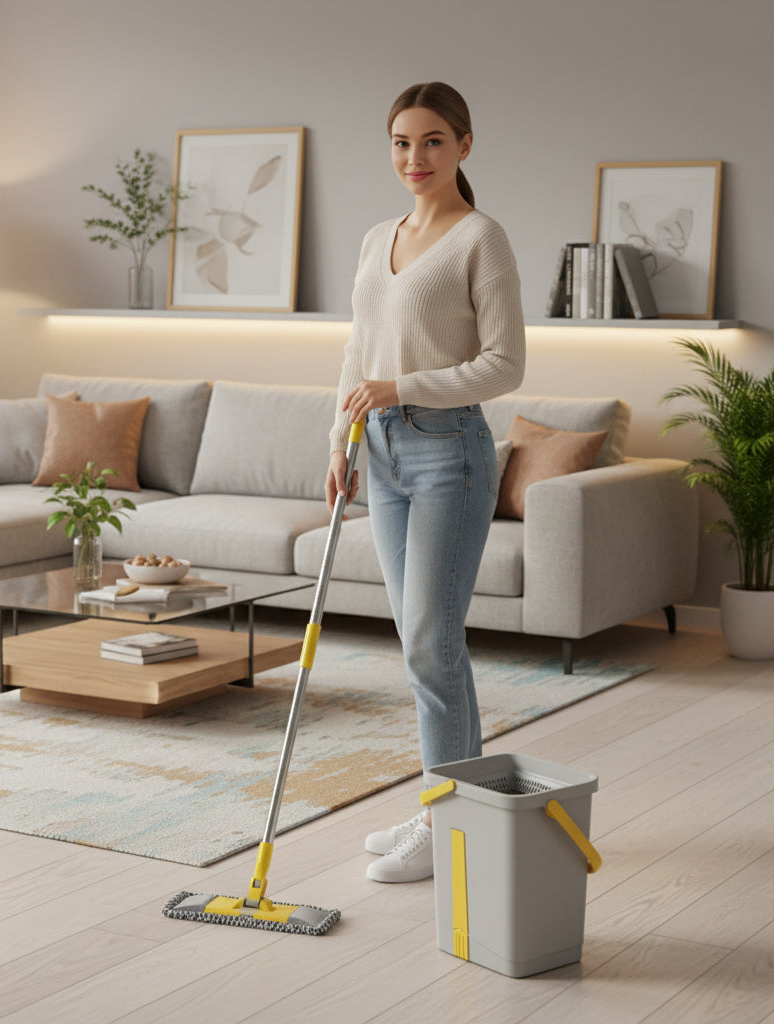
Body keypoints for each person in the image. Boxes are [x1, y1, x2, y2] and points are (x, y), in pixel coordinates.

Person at [326, 82, 525, 883]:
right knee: (423, 645)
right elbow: (356, 349)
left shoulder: (482, 237)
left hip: (451, 452)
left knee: (431, 647)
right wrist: (338, 439)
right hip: (378, 451)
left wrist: (400, 388)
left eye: (433, 142)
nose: (416, 158)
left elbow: (505, 365)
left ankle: (447, 828)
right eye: (403, 143)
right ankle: (454, 811)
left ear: (465, 146)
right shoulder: (380, 238)